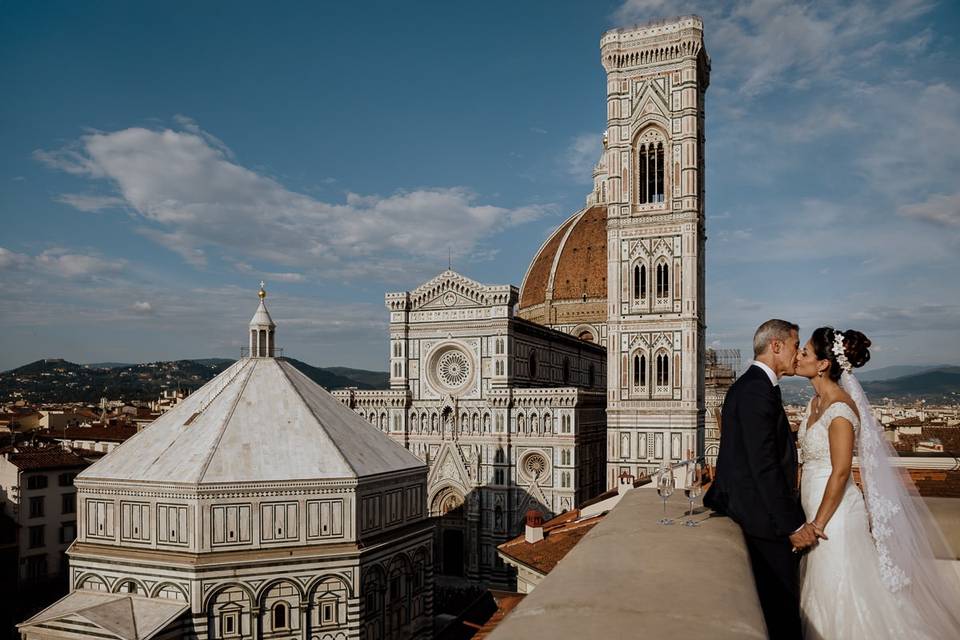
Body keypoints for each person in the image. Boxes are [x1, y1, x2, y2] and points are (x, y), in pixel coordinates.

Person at [795, 327, 960, 639]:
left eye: (805, 352)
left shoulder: (840, 409)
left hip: (835, 519)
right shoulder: (813, 404)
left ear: (822, 364)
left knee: (840, 596)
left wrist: (817, 524)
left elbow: (841, 471)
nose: (799, 357)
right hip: (814, 511)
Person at [704, 319, 820, 640]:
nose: (798, 354)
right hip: (763, 524)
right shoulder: (757, 390)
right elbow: (764, 466)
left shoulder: (751, 386)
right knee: (780, 615)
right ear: (777, 345)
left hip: (753, 516)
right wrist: (793, 526)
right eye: (796, 345)